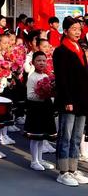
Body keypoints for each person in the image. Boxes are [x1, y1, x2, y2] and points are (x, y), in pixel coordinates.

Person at [53, 16, 88, 187]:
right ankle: (63, 171)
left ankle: (73, 169)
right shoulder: (60, 51)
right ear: (65, 31)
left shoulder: (81, 49)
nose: (77, 32)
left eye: (79, 29)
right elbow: (62, 79)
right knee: (65, 136)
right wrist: (67, 99)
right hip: (69, 100)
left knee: (76, 136)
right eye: (74, 29)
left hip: (82, 100)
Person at [24, 51, 56, 172]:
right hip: (36, 109)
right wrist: (42, 94)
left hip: (45, 108)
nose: (41, 63)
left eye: (44, 60)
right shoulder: (32, 77)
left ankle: (40, 159)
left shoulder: (47, 76)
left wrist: (51, 93)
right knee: (35, 136)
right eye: (38, 60)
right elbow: (30, 96)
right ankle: (34, 161)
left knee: (42, 136)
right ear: (33, 62)